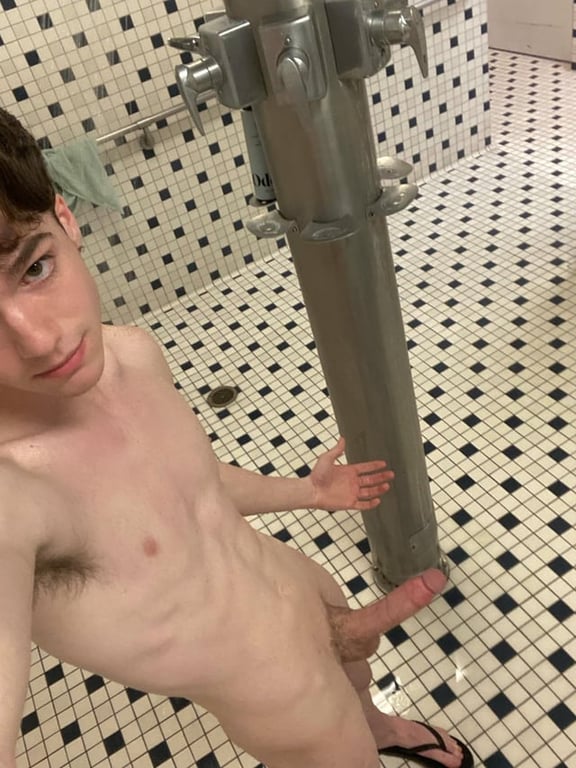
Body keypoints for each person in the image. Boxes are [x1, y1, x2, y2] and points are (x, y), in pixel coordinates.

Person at [0, 107, 473, 768]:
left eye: (34, 268)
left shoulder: (128, 352)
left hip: (300, 591)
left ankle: (381, 728)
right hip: (287, 705)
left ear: (65, 219)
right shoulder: (14, 495)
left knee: (361, 688)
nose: (39, 340)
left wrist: (307, 494)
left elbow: (191, 481)